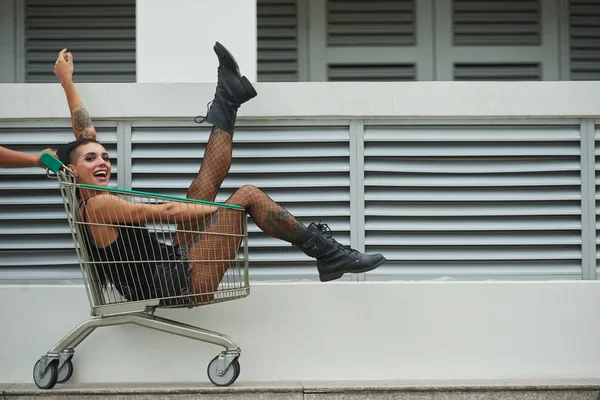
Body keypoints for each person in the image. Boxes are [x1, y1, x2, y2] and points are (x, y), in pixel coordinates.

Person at [53, 45, 386, 305]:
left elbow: (84, 136)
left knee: (203, 184)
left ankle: (228, 97)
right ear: (73, 170)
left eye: (105, 157)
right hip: (173, 284)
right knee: (247, 196)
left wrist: (67, 82)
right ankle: (328, 254)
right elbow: (164, 212)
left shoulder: (87, 195)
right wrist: (224, 212)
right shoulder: (98, 207)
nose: (103, 162)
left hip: (170, 263)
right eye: (91, 159)